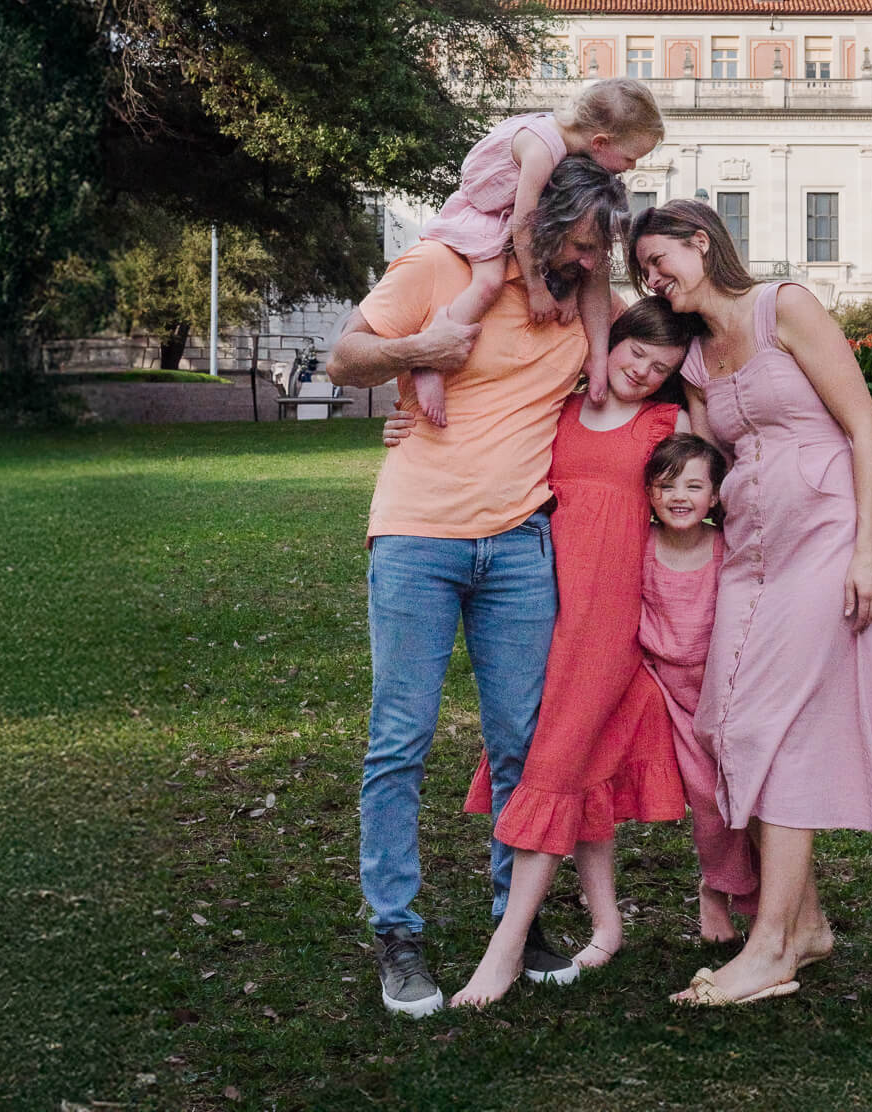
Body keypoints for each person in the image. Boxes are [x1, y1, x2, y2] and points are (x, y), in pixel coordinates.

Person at [325, 156, 628, 1019]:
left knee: (522, 747)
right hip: (418, 536)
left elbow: (646, 349)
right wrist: (422, 352)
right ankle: (397, 931)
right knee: (400, 738)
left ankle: (516, 918)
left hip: (521, 543)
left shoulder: (578, 292)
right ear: (540, 220)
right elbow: (345, 355)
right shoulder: (440, 265)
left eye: (596, 249)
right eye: (575, 241)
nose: (586, 260)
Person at [631, 199, 872, 1008]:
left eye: (661, 260)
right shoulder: (693, 360)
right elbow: (697, 458)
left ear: (700, 242)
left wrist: (867, 548)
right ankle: (808, 924)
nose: (654, 278)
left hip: (824, 539)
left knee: (778, 725)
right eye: (643, 272)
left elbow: (863, 425)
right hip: (748, 551)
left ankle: (769, 947)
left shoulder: (782, 306)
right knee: (725, 723)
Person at [446, 296, 705, 1008]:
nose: (644, 374)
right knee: (577, 762)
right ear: (611, 341)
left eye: (661, 368)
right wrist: (408, 415)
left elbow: (706, 485)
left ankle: (504, 950)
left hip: (605, 618)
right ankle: (607, 925)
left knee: (553, 764)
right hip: (530, 606)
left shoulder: (666, 423)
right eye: (636, 355)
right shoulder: (558, 406)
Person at [410, 80, 664, 425]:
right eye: (630, 157)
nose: (631, 167)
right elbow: (523, 224)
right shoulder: (543, 150)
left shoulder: (570, 146)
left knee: (593, 264)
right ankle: (431, 356)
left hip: (508, 217)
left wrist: (573, 290)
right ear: (600, 143)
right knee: (487, 284)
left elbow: (575, 248)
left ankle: (597, 361)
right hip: (483, 215)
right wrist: (537, 288)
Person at [639, 433, 760, 946]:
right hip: (667, 693)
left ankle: (761, 901)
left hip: (725, 694)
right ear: (648, 493)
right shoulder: (639, 546)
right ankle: (717, 890)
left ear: (715, 497)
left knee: (751, 798)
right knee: (709, 804)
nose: (679, 496)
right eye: (666, 485)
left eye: (694, 485)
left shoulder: (725, 549)